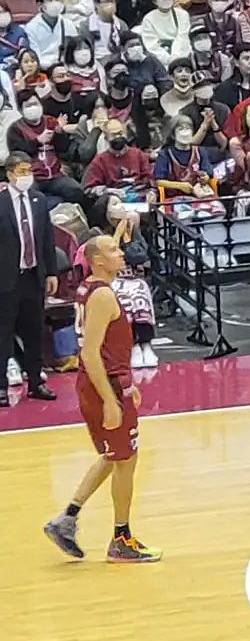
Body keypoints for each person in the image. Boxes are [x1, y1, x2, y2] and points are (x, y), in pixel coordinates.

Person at [42, 236, 159, 562]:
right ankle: (121, 539)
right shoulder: (104, 295)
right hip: (102, 385)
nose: (120, 253)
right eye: (112, 250)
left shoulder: (87, 288)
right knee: (125, 458)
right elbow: (90, 354)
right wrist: (111, 399)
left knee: (115, 454)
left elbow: (105, 350)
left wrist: (126, 383)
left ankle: (66, 518)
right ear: (97, 261)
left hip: (107, 381)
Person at [0, 152, 60, 406]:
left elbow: (47, 239)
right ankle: (1, 386)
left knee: (34, 331)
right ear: (11, 173)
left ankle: (36, 382)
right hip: (6, 278)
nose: (27, 176)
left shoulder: (39, 200)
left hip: (33, 275)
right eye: (22, 171)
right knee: (3, 334)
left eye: (29, 171)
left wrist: (51, 271)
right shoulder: (1, 202)